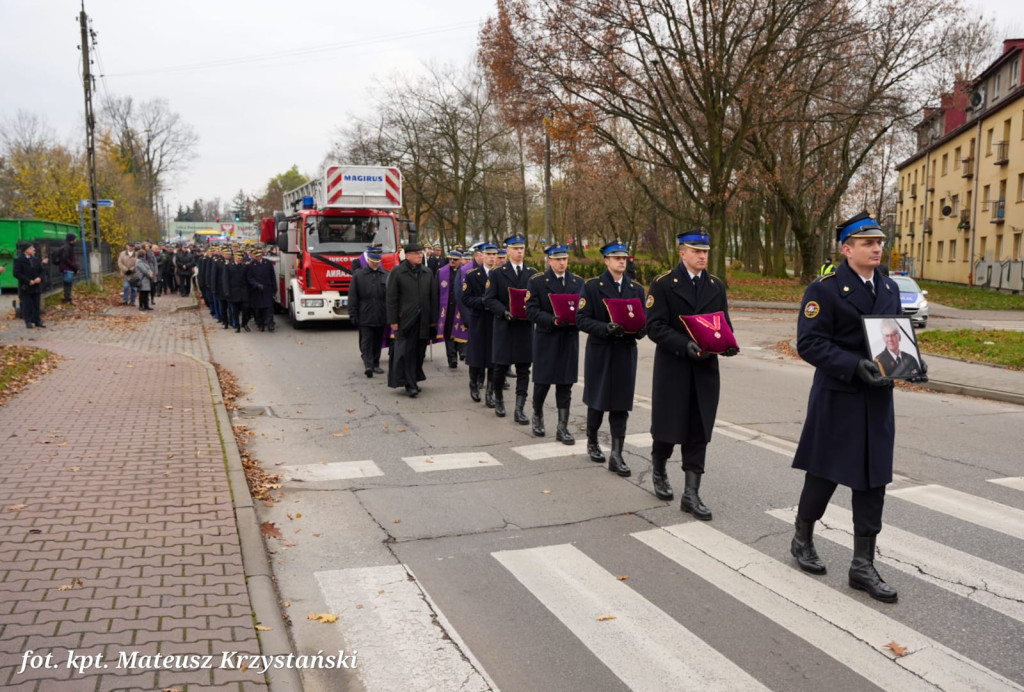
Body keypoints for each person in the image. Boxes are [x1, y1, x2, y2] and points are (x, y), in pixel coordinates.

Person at [788, 211, 926, 604]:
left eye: (879, 242)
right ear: (846, 249)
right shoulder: (825, 289)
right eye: (868, 243)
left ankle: (862, 565)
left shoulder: (888, 286)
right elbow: (810, 343)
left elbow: (895, 334)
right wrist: (853, 366)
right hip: (839, 395)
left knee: (874, 479)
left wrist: (912, 363)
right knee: (824, 473)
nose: (877, 247)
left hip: (877, 398)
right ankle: (802, 537)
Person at [646, 229, 738, 516]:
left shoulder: (715, 286)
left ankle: (691, 494)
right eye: (696, 251)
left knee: (699, 431)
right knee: (667, 428)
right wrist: (684, 345)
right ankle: (659, 467)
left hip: (705, 370)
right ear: (681, 252)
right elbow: (655, 326)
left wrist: (728, 344)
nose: (702, 256)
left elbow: (723, 323)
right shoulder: (663, 284)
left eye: (705, 252)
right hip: (674, 367)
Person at [576, 240, 647, 476]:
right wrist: (606, 328)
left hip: (625, 351)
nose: (621, 261)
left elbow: (643, 320)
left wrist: (639, 329)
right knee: (597, 400)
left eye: (624, 258)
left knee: (621, 404)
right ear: (606, 260)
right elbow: (582, 319)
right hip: (601, 350)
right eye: (616, 258)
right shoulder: (593, 287)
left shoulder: (635, 288)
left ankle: (617, 453)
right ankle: (593, 441)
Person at [525, 243, 584, 443]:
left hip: (568, 338)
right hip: (547, 338)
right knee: (542, 382)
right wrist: (552, 320)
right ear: (549, 261)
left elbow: (583, 309)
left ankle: (562, 427)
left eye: (564, 259)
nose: (562, 263)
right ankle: (538, 414)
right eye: (558, 259)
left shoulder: (577, 282)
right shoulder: (538, 282)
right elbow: (531, 310)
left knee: (565, 383)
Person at [483, 235, 536, 422]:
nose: (520, 251)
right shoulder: (497, 273)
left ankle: (519, 409)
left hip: (524, 328)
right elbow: (488, 299)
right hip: (504, 327)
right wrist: (504, 312)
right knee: (499, 368)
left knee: (523, 369)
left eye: (522, 248)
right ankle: (498, 399)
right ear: (508, 251)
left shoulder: (532, 273)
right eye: (515, 248)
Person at [386, 242, 439, 397]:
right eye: (416, 253)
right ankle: (410, 383)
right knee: (407, 353)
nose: (419, 256)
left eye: (420, 253)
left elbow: (433, 297)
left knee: (419, 353)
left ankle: (414, 378)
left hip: (424, 320)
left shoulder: (427, 272)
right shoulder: (398, 272)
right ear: (407, 255)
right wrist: (393, 320)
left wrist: (433, 319)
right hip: (406, 320)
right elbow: (391, 298)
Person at [461, 243, 499, 406]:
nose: (491, 258)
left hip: (495, 321)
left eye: (494, 255)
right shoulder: (472, 275)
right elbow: (466, 298)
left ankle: (490, 392)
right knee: (476, 357)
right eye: (488, 255)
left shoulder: (500, 275)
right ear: (482, 256)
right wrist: (483, 301)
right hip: (479, 319)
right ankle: (474, 384)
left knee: (493, 357)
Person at [348, 246, 389, 375]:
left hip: (381, 313)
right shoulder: (359, 275)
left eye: (377, 262)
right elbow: (353, 296)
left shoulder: (386, 274)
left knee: (377, 340)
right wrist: (353, 313)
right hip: (364, 313)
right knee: (366, 340)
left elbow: (390, 296)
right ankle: (368, 365)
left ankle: (376, 364)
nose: (375, 264)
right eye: (373, 261)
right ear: (368, 261)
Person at [436, 248, 469, 368]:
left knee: (460, 329)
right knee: (448, 332)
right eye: (450, 259)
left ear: (460, 260)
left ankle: (462, 352)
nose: (452, 261)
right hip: (447, 308)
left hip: (460, 307)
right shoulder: (441, 272)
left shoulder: (465, 272)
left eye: (455, 259)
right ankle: (452, 358)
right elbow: (437, 291)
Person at [13, 242, 48, 328]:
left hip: (36, 285)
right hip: (26, 286)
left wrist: (40, 278)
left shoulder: (35, 259)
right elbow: (16, 273)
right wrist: (28, 281)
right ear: (26, 250)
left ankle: (37, 320)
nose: (34, 250)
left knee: (36, 304)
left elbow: (42, 270)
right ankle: (28, 321)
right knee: (27, 304)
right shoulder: (19, 260)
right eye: (32, 248)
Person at [246, 248, 277, 332]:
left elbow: (272, 276)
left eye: (259, 256)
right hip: (257, 290)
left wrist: (274, 288)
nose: (258, 257)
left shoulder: (268, 263)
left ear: (262, 255)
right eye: (256, 256)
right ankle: (260, 324)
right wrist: (256, 284)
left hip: (267, 288)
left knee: (269, 308)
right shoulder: (252, 265)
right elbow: (250, 278)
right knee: (258, 309)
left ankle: (270, 325)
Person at [223, 250, 250, 332]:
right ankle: (237, 325)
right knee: (235, 311)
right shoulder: (228, 266)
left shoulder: (245, 266)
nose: (240, 260)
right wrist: (226, 292)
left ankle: (244, 323)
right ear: (235, 257)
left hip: (243, 291)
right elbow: (225, 280)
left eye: (241, 258)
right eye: (238, 258)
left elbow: (248, 278)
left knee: (246, 308)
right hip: (233, 292)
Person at [54, 233, 79, 303]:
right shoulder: (68, 247)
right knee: (68, 283)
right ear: (72, 239)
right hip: (68, 268)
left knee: (68, 283)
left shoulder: (67, 246)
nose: (76, 240)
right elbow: (66, 259)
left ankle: (67, 298)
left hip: (68, 268)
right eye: (75, 238)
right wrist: (75, 267)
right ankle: (67, 298)